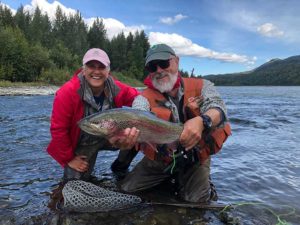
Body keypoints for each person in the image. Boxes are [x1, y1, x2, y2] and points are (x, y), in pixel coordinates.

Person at [114, 44, 231, 203]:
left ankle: (189, 182)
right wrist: (124, 138)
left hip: (196, 159)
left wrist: (202, 120)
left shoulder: (203, 86)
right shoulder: (143, 98)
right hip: (161, 160)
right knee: (125, 191)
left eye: (163, 63)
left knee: (196, 202)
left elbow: (218, 108)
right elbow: (138, 113)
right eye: (152, 67)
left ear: (176, 61)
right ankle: (168, 180)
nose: (159, 70)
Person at [47, 48, 139, 183]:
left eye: (101, 67)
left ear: (108, 71)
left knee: (140, 132)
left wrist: (141, 113)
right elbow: (58, 130)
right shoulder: (67, 92)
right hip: (84, 142)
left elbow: (139, 98)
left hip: (111, 136)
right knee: (73, 183)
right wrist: (69, 159)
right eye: (91, 66)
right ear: (83, 69)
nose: (96, 71)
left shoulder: (116, 88)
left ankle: (120, 167)